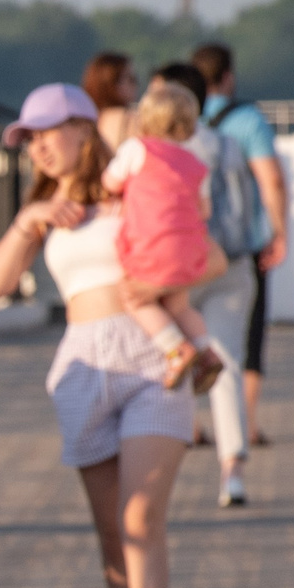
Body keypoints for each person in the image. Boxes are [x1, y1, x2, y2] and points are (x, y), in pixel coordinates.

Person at [0, 84, 189, 588]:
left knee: (139, 517)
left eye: (48, 131)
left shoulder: (134, 181)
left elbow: (207, 254)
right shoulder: (45, 203)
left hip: (151, 356)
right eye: (28, 138)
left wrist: (157, 290)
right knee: (109, 533)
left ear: (84, 128)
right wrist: (27, 222)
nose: (37, 146)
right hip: (81, 366)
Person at [152, 60, 256, 504]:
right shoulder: (225, 144)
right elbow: (242, 207)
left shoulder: (151, 152)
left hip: (179, 273)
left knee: (172, 363)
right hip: (229, 265)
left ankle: (159, 468)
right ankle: (231, 470)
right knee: (226, 360)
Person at [193, 42, 289, 450]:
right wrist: (278, 230)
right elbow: (271, 179)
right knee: (245, 338)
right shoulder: (248, 119)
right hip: (237, 247)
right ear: (228, 76)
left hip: (189, 248)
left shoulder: (185, 120)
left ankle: (188, 423)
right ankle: (245, 423)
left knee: (186, 333)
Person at [101, 82, 227, 391]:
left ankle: (176, 349)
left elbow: (110, 181)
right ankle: (206, 349)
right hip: (189, 248)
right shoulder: (198, 164)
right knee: (179, 307)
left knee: (135, 299)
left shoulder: (137, 149)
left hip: (151, 246)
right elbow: (205, 210)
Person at [83, 51, 136, 150]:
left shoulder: (84, 121)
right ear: (110, 83)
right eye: (131, 78)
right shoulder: (130, 118)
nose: (135, 84)